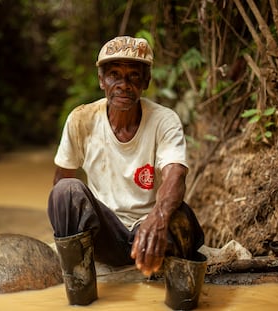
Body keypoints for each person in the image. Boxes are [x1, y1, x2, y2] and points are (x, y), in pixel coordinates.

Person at [47, 36, 204, 306]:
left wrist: (158, 217)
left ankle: (181, 302)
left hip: (153, 234)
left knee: (180, 216)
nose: (124, 85)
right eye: (114, 75)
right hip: (105, 234)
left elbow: (175, 175)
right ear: (101, 80)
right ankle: (81, 298)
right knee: (66, 191)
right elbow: (62, 182)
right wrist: (70, 236)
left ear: (146, 82)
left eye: (133, 76)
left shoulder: (164, 120)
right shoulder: (82, 119)